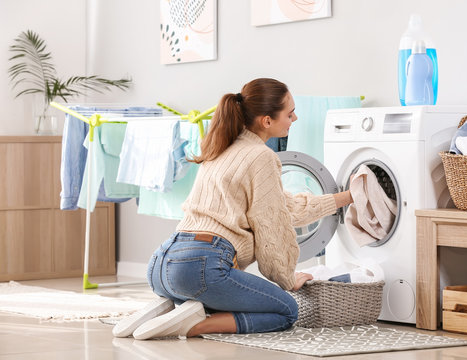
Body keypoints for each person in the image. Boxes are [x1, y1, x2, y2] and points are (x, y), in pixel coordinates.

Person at [113, 78, 353, 340]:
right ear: (267, 121)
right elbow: (271, 225)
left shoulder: (221, 148)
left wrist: (347, 197)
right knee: (287, 310)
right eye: (289, 112)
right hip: (200, 268)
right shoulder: (261, 157)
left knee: (215, 291)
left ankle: (172, 306)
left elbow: (287, 208)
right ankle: (193, 325)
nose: (295, 118)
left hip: (162, 263)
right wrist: (286, 278)